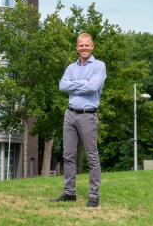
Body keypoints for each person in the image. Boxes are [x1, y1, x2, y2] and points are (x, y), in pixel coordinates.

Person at [53, 32, 106, 208]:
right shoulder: (70, 67)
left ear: (92, 46)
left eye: (87, 45)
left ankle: (93, 196)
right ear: (77, 47)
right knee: (68, 155)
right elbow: (62, 86)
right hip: (70, 115)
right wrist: (84, 82)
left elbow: (94, 87)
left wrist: (75, 85)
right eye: (81, 45)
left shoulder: (99, 66)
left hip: (87, 114)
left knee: (92, 156)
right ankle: (69, 193)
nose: (84, 48)